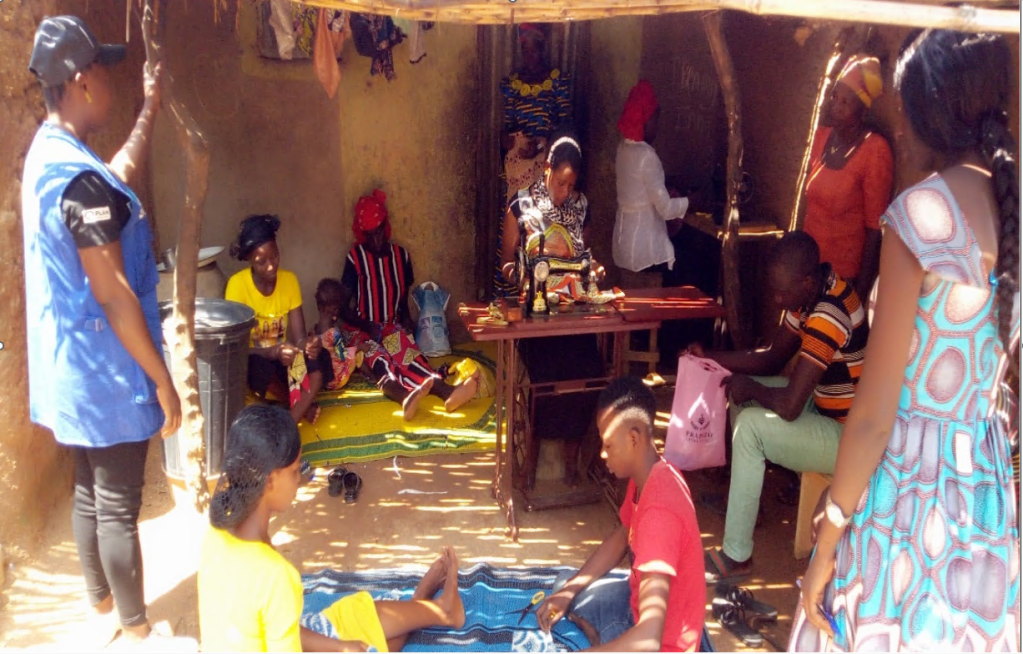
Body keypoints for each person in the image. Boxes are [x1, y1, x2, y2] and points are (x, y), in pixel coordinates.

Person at [792, 30, 1020, 651]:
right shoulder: (1012, 211)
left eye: (902, 109)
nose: (897, 125)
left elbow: (873, 415)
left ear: (926, 113)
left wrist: (829, 534)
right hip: (982, 493)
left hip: (907, 490)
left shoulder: (920, 216)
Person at [21, 16, 182, 646]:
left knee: (89, 492)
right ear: (81, 81)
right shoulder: (78, 180)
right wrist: (161, 379)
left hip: (73, 368)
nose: (112, 82)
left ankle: (101, 610)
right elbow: (114, 295)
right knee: (116, 505)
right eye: (105, 71)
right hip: (106, 370)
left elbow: (115, 176)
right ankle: (137, 631)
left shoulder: (52, 155)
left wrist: (150, 109)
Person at [198, 405, 466, 652]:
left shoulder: (215, 537)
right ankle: (433, 607)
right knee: (359, 628)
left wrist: (339, 647)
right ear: (270, 481)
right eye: (295, 471)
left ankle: (430, 607)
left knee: (353, 623)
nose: (300, 479)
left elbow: (265, 627)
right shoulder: (275, 576)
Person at [694, 232, 869, 581]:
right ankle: (747, 506)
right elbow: (773, 359)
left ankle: (737, 556)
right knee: (740, 391)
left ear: (806, 282)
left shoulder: (828, 313)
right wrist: (710, 357)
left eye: (782, 292)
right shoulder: (810, 294)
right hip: (824, 408)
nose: (777, 300)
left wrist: (752, 387)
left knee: (750, 427)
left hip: (849, 438)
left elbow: (789, 406)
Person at [537, 377, 704, 651]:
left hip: (664, 642)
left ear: (633, 438)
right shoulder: (651, 474)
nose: (602, 455)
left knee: (578, 606)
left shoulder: (659, 515)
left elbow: (649, 639)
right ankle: (599, 632)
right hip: (639, 609)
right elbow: (622, 536)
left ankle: (599, 636)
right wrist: (568, 592)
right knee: (564, 586)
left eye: (608, 445)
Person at [499, 135, 606, 488]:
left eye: (571, 185)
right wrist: (521, 275)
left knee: (591, 372)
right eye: (560, 182)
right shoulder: (520, 204)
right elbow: (505, 262)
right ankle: (530, 460)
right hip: (536, 315)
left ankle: (572, 457)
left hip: (573, 314)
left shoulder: (581, 207)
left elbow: (582, 256)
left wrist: (593, 270)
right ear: (546, 169)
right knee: (546, 379)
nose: (564, 191)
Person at [338, 189, 477, 421]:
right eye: (369, 235)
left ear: (386, 226)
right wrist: (366, 325)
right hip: (362, 331)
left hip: (390, 327)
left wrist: (406, 321)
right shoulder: (355, 258)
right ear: (362, 234)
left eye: (379, 231)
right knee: (379, 360)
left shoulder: (400, 256)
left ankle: (448, 393)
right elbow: (343, 308)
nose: (376, 240)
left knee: (410, 357)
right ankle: (405, 399)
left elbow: (401, 295)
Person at [802, 55, 894, 303]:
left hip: (842, 280)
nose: (837, 106)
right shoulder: (821, 137)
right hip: (808, 273)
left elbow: (875, 230)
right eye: (835, 97)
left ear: (863, 109)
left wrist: (858, 296)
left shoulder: (874, 150)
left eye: (846, 101)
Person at [225, 214, 331, 425]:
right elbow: (235, 349)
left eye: (274, 256)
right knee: (256, 368)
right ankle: (301, 407)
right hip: (258, 362)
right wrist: (271, 352)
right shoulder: (237, 286)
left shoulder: (289, 281)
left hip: (285, 362)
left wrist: (310, 346)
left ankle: (291, 419)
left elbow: (299, 338)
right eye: (261, 262)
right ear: (250, 260)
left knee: (321, 359)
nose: (271, 266)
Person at [493, 22, 574, 297]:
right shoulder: (513, 85)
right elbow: (506, 129)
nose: (529, 54)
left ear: (543, 46)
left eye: (534, 48)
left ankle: (546, 290)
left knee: (541, 228)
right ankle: (511, 293)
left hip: (546, 170)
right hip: (519, 173)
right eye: (524, 48)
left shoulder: (557, 83)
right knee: (515, 227)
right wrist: (509, 140)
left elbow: (566, 128)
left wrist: (541, 145)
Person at [612, 80, 695, 278]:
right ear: (645, 120)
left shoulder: (623, 149)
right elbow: (666, 210)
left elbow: (639, 185)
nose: (657, 126)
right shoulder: (647, 155)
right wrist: (691, 202)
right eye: (655, 120)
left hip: (623, 244)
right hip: (645, 251)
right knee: (692, 263)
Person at [312, 278, 361, 392]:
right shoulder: (334, 333)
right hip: (337, 380)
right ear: (336, 310)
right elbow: (342, 356)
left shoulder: (313, 331)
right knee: (360, 354)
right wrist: (358, 348)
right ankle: (371, 377)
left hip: (323, 380)